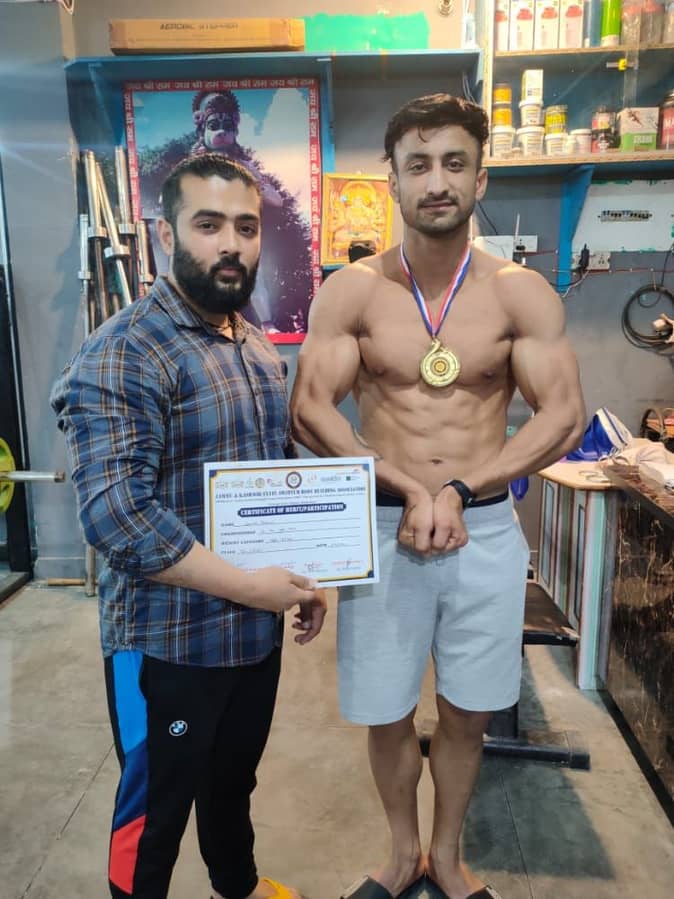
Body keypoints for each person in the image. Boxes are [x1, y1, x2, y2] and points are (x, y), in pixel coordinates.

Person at [290, 94, 585, 899]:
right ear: (391, 180)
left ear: (480, 177)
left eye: (455, 163)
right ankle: (400, 853)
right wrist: (404, 485)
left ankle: (447, 858)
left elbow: (563, 414)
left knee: (467, 710)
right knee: (386, 708)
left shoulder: (521, 294)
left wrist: (457, 487)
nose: (437, 181)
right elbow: (310, 409)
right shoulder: (351, 293)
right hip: (382, 528)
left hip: (480, 528)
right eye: (418, 164)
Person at [51, 154, 326, 899]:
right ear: (165, 233)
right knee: (155, 811)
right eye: (208, 225)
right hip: (164, 643)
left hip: (250, 637)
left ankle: (238, 886)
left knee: (232, 781)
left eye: (246, 226)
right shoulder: (125, 350)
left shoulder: (254, 346)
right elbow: (118, 515)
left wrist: (305, 574)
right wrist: (252, 586)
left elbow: (273, 478)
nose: (231, 244)